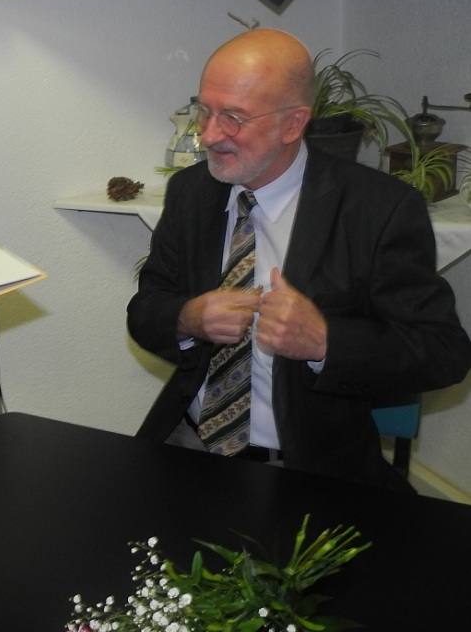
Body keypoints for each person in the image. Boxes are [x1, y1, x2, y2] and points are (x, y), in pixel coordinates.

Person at [127, 28, 471, 492]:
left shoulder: (377, 208)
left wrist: (326, 341)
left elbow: (444, 353)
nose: (208, 135)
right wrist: (187, 318)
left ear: (293, 123)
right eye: (203, 111)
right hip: (187, 445)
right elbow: (146, 310)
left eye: (232, 117)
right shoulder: (192, 192)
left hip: (310, 467)